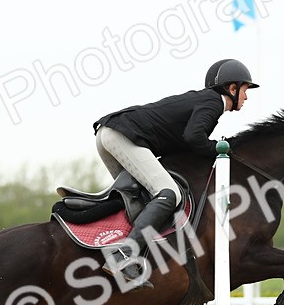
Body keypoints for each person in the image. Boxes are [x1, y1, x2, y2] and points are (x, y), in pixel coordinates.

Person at [92, 59, 259, 283]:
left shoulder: (204, 100)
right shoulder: (213, 103)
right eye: (245, 90)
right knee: (169, 194)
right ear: (232, 88)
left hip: (109, 134)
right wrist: (221, 150)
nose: (246, 97)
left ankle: (96, 224)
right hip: (123, 136)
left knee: (138, 197)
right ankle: (123, 255)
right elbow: (194, 137)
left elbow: (185, 141)